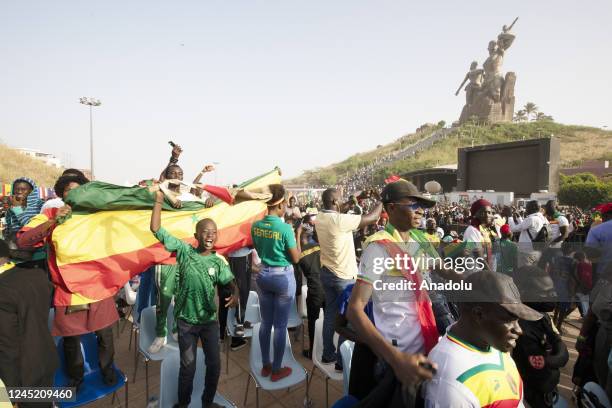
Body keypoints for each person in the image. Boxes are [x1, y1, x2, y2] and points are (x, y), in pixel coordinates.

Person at [347, 179, 457, 397]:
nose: (420, 213)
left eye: (422, 207)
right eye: (413, 206)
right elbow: (354, 308)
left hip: (426, 342)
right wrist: (394, 359)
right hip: (397, 355)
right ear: (391, 208)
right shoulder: (378, 247)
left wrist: (477, 279)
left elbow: (445, 270)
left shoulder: (421, 239)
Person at [17, 174, 117, 392]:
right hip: (67, 289)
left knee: (105, 334)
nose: (74, 194)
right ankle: (76, 377)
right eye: (69, 190)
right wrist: (53, 222)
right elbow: (24, 240)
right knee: (71, 339)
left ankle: (108, 370)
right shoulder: (49, 213)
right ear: (62, 194)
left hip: (97, 286)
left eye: (79, 189)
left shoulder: (96, 215)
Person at [150, 190, 238, 408]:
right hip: (187, 323)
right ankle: (183, 404)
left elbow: (230, 282)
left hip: (209, 322)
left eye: (214, 232)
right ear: (197, 235)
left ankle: (207, 402)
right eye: (205, 232)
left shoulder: (218, 262)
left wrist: (235, 293)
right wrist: (159, 201)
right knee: (188, 367)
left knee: (214, 365)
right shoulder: (184, 251)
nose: (210, 235)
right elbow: (156, 229)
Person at [424, 271, 541, 407]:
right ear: (479, 314)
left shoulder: (490, 341)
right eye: (509, 320)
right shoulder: (450, 384)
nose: (519, 330)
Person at [316, 187, 382, 370]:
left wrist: (358, 198)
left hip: (327, 273)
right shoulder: (338, 220)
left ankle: (328, 354)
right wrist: (381, 200)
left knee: (330, 315)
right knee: (349, 319)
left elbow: (341, 208)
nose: (343, 201)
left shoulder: (321, 217)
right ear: (335, 202)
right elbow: (372, 217)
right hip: (343, 277)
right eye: (341, 199)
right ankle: (341, 362)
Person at [0, 239, 59, 408]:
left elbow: (7, 349)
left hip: (23, 376)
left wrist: (10, 396)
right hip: (45, 357)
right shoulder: (37, 276)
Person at [251, 184, 300, 381]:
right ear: (280, 204)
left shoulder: (256, 226)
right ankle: (277, 369)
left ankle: (265, 365)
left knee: (265, 323)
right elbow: (295, 258)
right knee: (280, 326)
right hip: (282, 278)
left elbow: (258, 249)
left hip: (263, 276)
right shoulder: (285, 228)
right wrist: (296, 235)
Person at [512, 266, 569, 408]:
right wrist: (556, 362)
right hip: (532, 398)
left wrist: (553, 359)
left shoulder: (541, 315)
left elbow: (560, 348)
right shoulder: (522, 330)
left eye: (553, 290)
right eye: (546, 292)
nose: (554, 295)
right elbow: (544, 379)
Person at [295, 231, 324, 359]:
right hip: (328, 288)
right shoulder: (319, 247)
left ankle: (313, 351)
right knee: (328, 321)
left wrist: (297, 234)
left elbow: (296, 256)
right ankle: (327, 349)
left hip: (315, 291)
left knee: (312, 322)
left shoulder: (301, 255)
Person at [462, 199, 499, 273]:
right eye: (486, 212)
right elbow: (478, 255)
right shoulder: (472, 230)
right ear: (477, 214)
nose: (489, 215)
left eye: (490, 212)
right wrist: (490, 274)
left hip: (486, 272)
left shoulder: (486, 230)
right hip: (476, 273)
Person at [510, 200, 549, 267]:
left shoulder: (531, 219)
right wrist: (519, 217)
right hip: (535, 252)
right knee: (532, 270)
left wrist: (509, 216)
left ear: (532, 208)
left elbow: (514, 229)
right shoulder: (542, 218)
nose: (525, 209)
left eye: (527, 207)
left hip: (526, 252)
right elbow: (525, 226)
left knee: (524, 271)